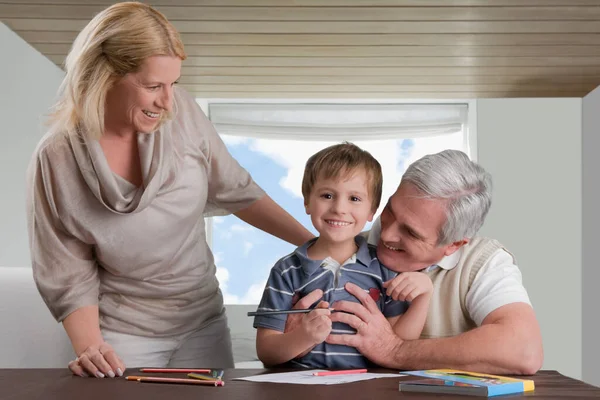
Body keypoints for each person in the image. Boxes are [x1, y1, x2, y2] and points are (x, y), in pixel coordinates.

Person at [25, 2, 313, 379]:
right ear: (103, 77)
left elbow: (238, 190)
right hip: (123, 331)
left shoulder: (183, 115)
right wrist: (92, 348)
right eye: (152, 86)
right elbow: (67, 272)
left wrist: (316, 246)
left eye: (173, 84)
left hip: (202, 319)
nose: (167, 101)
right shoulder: (56, 159)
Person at [288, 150, 544, 375]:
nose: (386, 235)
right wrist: (294, 341)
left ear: (454, 244)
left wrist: (395, 350)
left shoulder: (483, 262)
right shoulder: (344, 250)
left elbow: (523, 350)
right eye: (390, 210)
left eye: (410, 233)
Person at [253, 143, 433, 368]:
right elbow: (266, 352)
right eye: (327, 195)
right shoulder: (286, 270)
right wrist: (304, 337)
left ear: (371, 211)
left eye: (354, 199)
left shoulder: (384, 269)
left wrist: (424, 296)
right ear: (307, 201)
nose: (339, 208)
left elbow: (400, 344)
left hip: (367, 387)